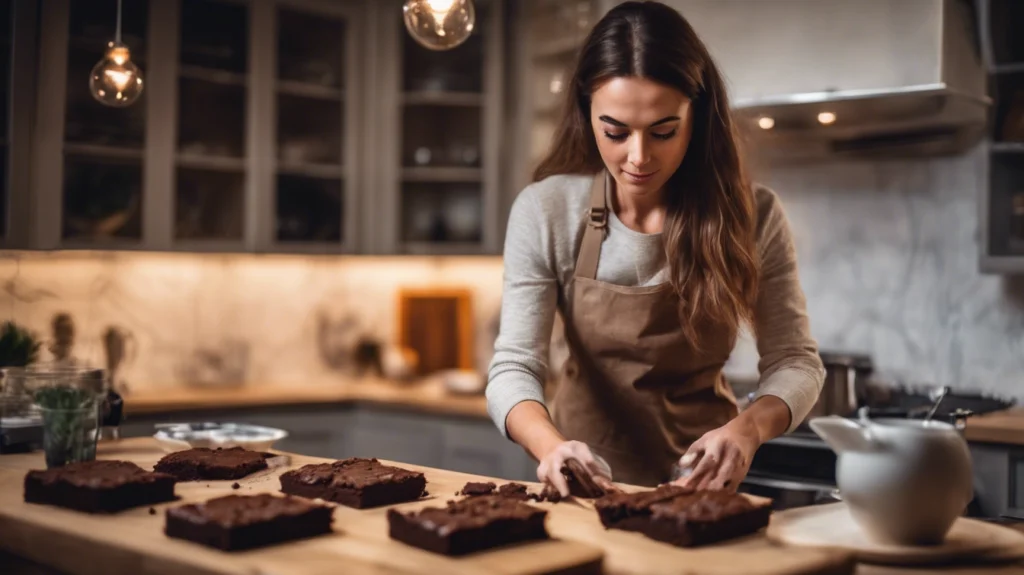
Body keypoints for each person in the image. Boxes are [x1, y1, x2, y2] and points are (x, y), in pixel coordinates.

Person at [486, 0, 824, 496]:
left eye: (664, 131)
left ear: (697, 117)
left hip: (701, 490)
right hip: (581, 487)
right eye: (615, 132)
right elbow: (513, 367)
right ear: (586, 113)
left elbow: (796, 362)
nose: (638, 157)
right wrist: (551, 447)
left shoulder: (754, 216)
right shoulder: (547, 211)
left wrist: (748, 429)